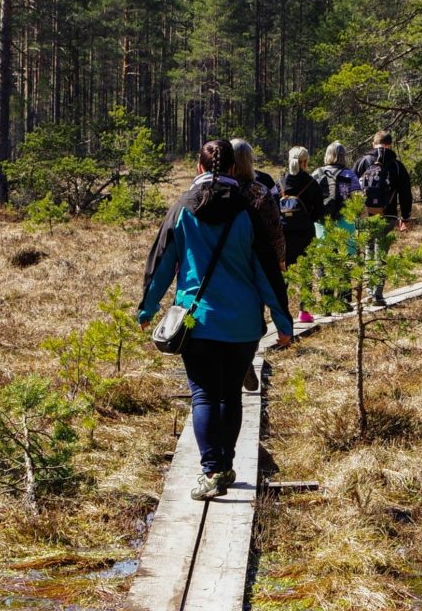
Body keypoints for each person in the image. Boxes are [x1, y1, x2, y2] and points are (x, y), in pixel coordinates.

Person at [138, 140, 293, 501]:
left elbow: (161, 262)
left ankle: (212, 471)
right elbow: (267, 272)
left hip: (196, 321)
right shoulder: (247, 210)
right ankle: (225, 463)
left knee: (204, 395)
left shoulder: (181, 208)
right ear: (235, 168)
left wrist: (146, 310)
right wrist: (283, 324)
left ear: (198, 167)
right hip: (241, 324)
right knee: (230, 395)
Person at [231, 137, 284, 392]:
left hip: (223, 262)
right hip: (255, 264)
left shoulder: (215, 190)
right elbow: (275, 229)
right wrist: (280, 259)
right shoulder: (259, 191)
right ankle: (247, 358)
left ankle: (234, 363)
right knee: (254, 315)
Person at [353, 130, 414, 305]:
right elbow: (405, 193)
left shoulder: (363, 162)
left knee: (369, 251)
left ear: (374, 144)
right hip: (388, 214)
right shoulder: (396, 165)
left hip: (365, 214)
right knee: (381, 254)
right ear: (390, 145)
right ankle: (377, 294)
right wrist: (406, 216)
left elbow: (351, 186)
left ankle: (370, 291)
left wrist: (353, 212)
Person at [279, 146, 325, 323]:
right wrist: (305, 220)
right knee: (305, 274)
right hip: (305, 235)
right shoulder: (311, 183)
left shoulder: (280, 182)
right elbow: (319, 212)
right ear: (305, 163)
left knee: (283, 275)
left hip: (283, 237)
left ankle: (282, 313)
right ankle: (304, 312)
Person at [311, 141, 362, 234]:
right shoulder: (349, 174)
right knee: (348, 248)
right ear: (343, 156)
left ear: (327, 155)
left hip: (322, 219)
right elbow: (357, 198)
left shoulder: (316, 173)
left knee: (323, 248)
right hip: (346, 219)